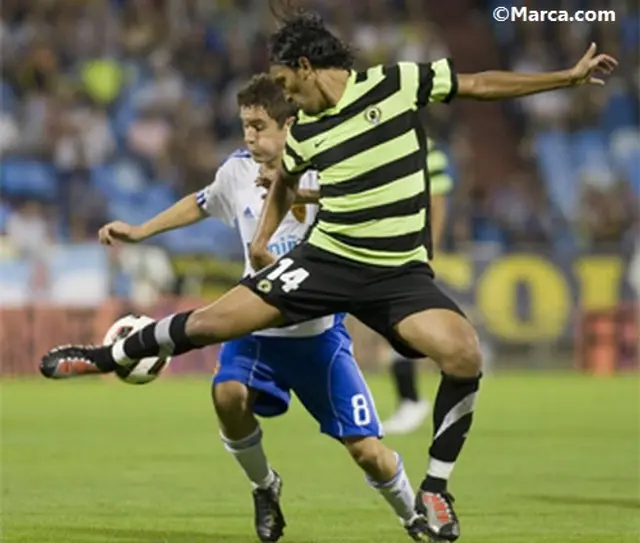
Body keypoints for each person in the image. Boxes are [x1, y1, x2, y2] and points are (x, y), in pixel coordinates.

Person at [40, 9, 617, 542]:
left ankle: (435, 489)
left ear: (307, 68)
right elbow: (287, 182)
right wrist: (264, 240)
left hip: (396, 273)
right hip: (328, 261)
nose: (287, 97)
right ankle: (106, 357)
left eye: (287, 84)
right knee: (217, 321)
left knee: (464, 355)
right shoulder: (307, 133)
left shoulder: (395, 84)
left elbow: (478, 84)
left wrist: (563, 78)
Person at [55, 75, 431, 543]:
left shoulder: (324, 169)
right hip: (254, 332)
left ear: (289, 124)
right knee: (227, 396)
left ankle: (414, 516)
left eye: (258, 126)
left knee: (368, 452)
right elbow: (201, 203)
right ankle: (264, 486)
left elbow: (353, 213)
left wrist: (298, 203)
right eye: (244, 126)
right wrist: (140, 231)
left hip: (317, 337)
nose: (249, 137)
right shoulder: (236, 170)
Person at [275, 139, 453, 435]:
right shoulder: (363, 137)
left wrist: (426, 250)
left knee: (397, 322)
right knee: (381, 325)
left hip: (402, 251)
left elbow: (437, 201)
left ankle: (417, 391)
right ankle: (409, 393)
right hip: (369, 247)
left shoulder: (421, 144)